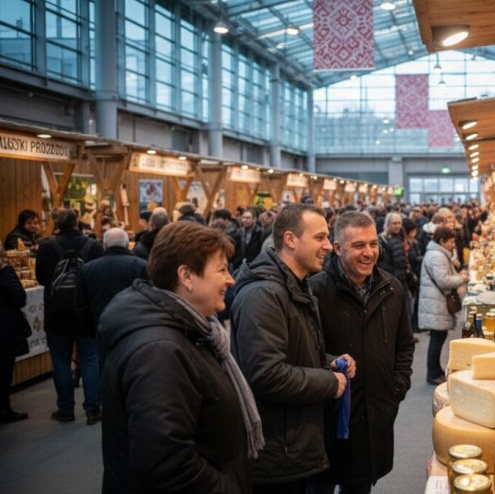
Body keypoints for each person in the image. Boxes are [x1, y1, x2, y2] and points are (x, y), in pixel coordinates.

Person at [99, 221, 260, 493]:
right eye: (221, 269)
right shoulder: (160, 351)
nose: (230, 279)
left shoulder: (193, 331)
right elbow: (167, 464)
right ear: (186, 276)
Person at [231, 203, 355, 494]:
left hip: (294, 441)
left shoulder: (297, 286)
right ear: (290, 240)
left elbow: (295, 353)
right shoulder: (264, 295)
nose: (328, 246)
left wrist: (330, 362)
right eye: (320, 237)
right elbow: (266, 374)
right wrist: (329, 382)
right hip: (276, 449)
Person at [308, 211, 415, 493]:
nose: (368, 253)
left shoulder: (391, 288)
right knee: (319, 487)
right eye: (358, 246)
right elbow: (302, 353)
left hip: (375, 416)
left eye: (373, 244)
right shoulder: (314, 292)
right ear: (338, 248)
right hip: (328, 419)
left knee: (359, 487)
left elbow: (404, 345)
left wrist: (397, 387)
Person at [34, 208, 104, 423]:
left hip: (57, 312)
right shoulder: (93, 246)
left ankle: (65, 409)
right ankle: (93, 409)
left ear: (57, 224)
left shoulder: (46, 247)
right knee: (91, 360)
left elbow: (41, 278)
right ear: (78, 222)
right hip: (85, 312)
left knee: (61, 361)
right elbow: (97, 278)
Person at [74, 228, 148, 351]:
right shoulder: (141, 266)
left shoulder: (87, 269)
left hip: (101, 329)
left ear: (105, 245)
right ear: (127, 244)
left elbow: (81, 304)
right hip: (134, 329)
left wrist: (91, 330)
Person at [419, 227, 468, 385]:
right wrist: (461, 278)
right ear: (442, 241)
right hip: (436, 303)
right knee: (437, 338)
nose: (453, 245)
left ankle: (436, 369)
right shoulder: (437, 256)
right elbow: (444, 281)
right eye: (451, 242)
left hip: (436, 302)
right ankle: (433, 373)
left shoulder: (438, 254)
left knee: (438, 337)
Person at [0, 234, 31, 423]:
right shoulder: (3, 270)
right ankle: (3, 408)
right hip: (3, 326)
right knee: (3, 370)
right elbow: (19, 297)